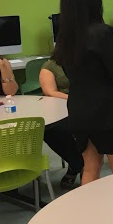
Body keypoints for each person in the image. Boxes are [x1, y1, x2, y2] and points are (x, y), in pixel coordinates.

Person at [53, 0, 113, 185]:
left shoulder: (64, 36)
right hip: (105, 110)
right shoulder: (103, 32)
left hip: (78, 109)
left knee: (90, 167)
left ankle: (89, 206)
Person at [38, 58, 85, 189]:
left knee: (88, 126)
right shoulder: (50, 66)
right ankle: (78, 163)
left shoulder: (84, 60)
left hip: (85, 105)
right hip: (61, 107)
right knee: (51, 130)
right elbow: (50, 92)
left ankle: (78, 165)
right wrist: (74, 99)